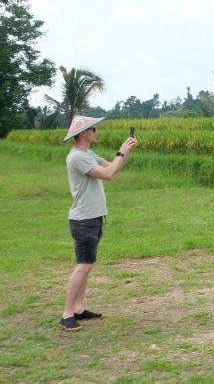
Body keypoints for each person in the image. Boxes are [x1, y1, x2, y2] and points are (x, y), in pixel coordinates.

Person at [60, 116, 138, 331]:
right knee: (83, 266)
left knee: (87, 265)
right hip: (84, 220)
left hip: (92, 219)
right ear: (84, 133)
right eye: (93, 129)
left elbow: (113, 167)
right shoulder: (78, 157)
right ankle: (67, 314)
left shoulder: (88, 154)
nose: (96, 132)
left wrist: (126, 151)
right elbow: (108, 174)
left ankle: (78, 309)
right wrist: (121, 151)